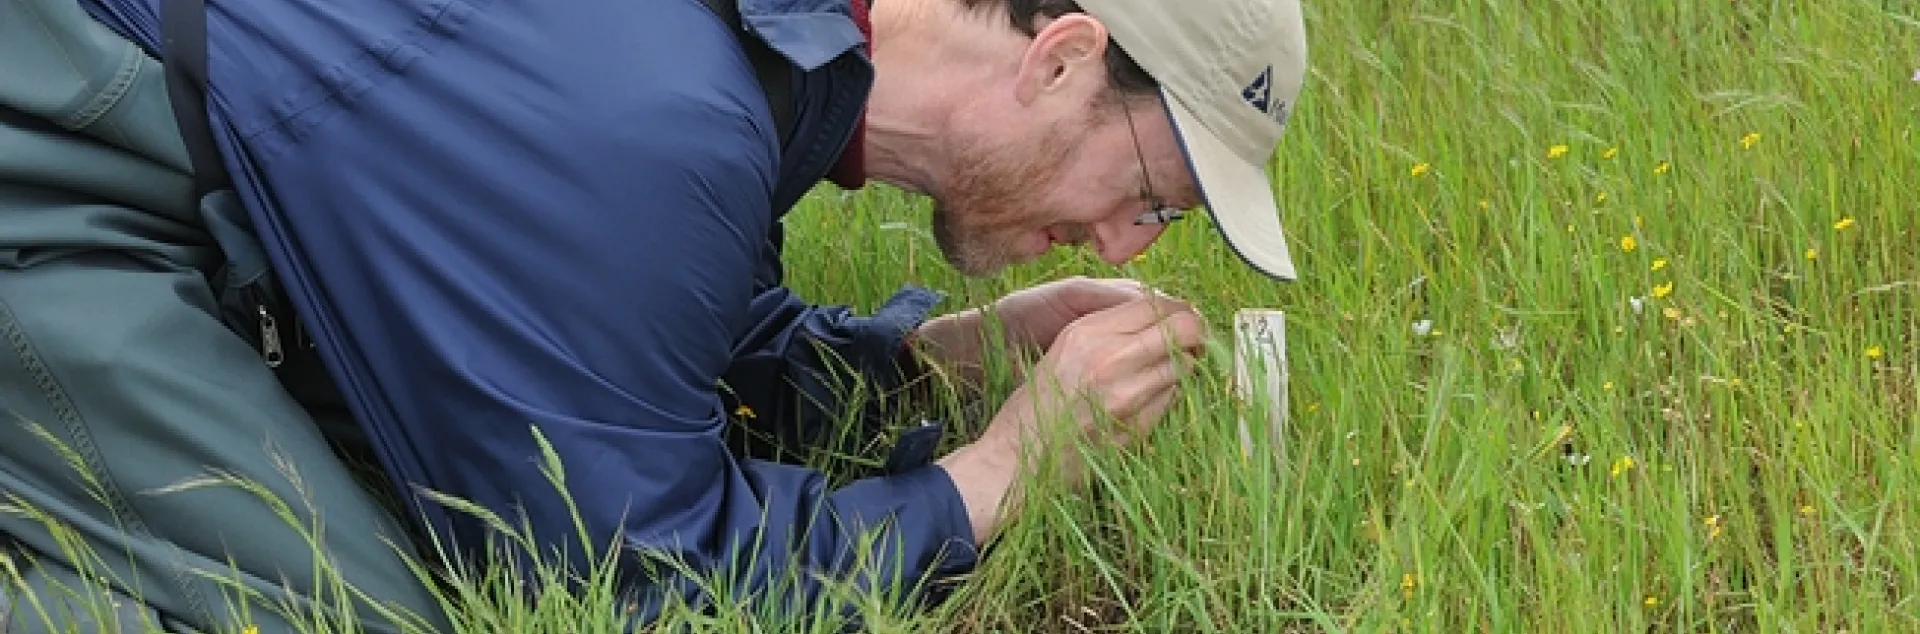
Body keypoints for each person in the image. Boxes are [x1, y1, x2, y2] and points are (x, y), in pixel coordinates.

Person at [0, 0, 1307, 630]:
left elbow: (645, 343)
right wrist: (1008, 466)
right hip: (59, 153)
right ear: (1062, 55)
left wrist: (938, 365)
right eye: (1151, 193)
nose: (1127, 242)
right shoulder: (666, 121)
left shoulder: (773, 49)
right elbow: (627, 577)